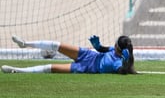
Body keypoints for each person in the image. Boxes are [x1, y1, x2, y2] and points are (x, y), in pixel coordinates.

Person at [1, 35, 137, 74]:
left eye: (115, 44)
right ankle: (25, 43)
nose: (112, 46)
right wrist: (97, 46)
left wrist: (126, 62)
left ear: (119, 48)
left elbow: (123, 71)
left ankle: (18, 71)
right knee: (57, 45)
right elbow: (103, 50)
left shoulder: (118, 63)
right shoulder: (113, 51)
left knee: (51, 68)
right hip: (88, 55)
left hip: (87, 68)